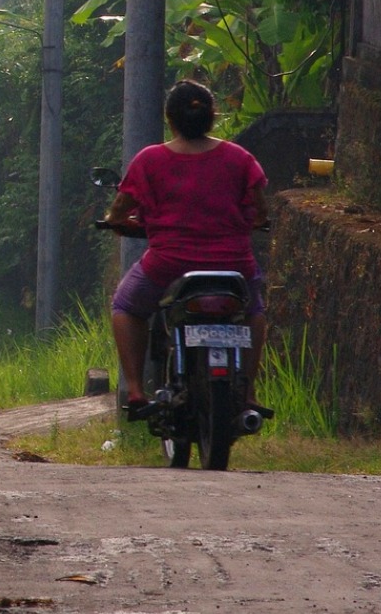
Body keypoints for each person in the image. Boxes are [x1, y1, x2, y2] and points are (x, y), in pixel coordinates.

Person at [103, 79, 272, 418]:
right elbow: (259, 209)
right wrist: (250, 222)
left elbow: (122, 207)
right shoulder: (239, 158)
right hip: (233, 265)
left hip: (168, 263)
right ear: (212, 117)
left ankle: (135, 389)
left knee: (125, 306)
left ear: (170, 119)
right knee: (253, 312)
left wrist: (114, 219)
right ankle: (249, 391)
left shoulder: (150, 159)